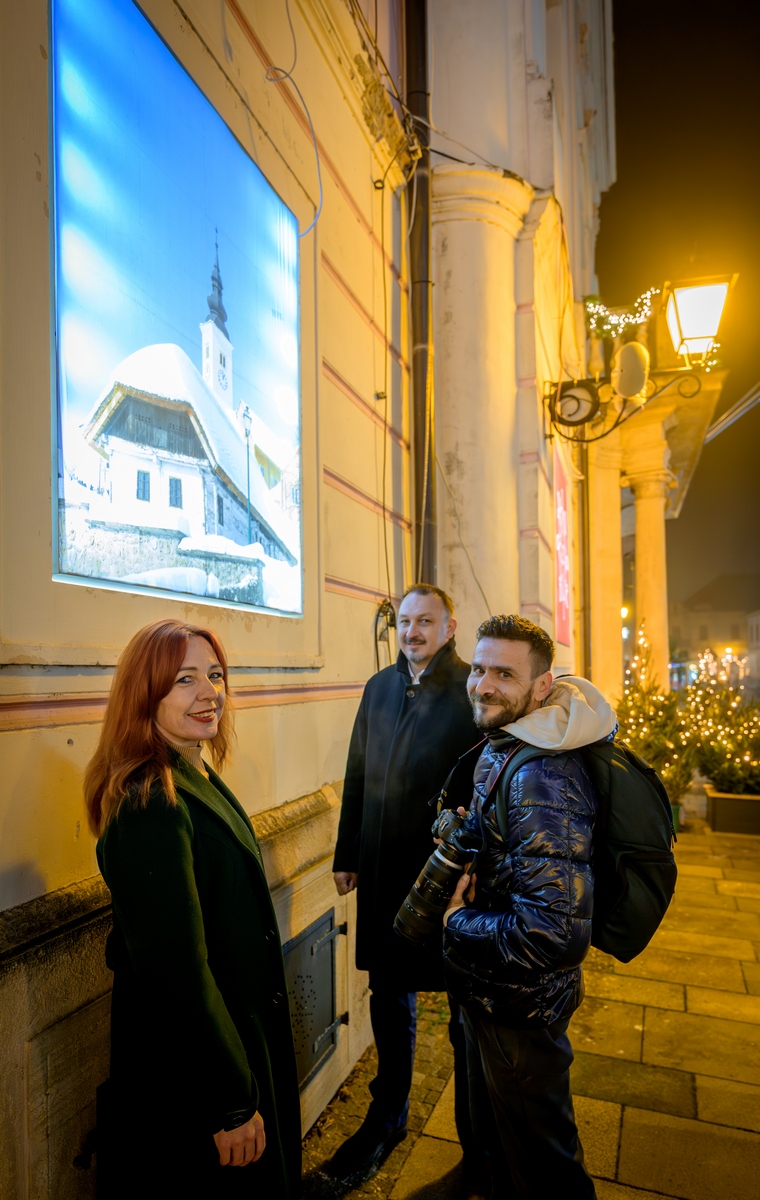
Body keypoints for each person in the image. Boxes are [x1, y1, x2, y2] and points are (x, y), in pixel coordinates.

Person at [85, 618, 301, 1199]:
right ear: (145, 693)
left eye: (215, 675)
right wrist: (230, 1102)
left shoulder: (191, 770)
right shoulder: (149, 803)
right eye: (184, 679)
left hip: (234, 1035)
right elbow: (176, 975)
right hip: (199, 1073)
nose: (209, 693)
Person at [441, 615, 616, 1199]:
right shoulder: (515, 740)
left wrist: (457, 922)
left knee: (547, 1174)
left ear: (543, 686)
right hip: (494, 987)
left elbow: (552, 933)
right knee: (504, 1155)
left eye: (504, 674)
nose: (484, 685)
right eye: (479, 669)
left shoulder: (542, 773)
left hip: (522, 1005)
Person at [329, 585, 485, 1195]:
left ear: (450, 626)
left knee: (463, 1008)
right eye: (405, 621)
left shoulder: (472, 687)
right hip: (381, 868)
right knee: (388, 992)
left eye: (425, 621)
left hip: (446, 879)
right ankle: (388, 1115)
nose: (413, 631)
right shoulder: (379, 687)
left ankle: (477, 1137)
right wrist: (347, 853)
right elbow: (357, 770)